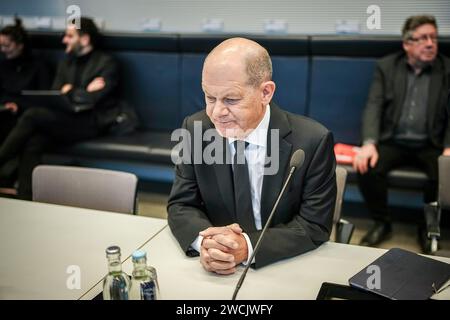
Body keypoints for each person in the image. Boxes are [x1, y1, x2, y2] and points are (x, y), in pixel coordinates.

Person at [167, 38, 336, 273]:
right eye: (209, 97)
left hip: (283, 266)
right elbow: (181, 205)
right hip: (216, 269)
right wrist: (207, 244)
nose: (217, 113)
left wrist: (247, 248)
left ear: (265, 92)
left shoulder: (312, 141)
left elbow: (314, 225)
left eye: (231, 99)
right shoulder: (196, 129)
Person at [354, 15, 450, 250]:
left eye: (434, 38)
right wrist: (369, 143)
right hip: (393, 140)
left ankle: (426, 227)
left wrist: (449, 147)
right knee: (367, 167)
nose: (430, 43)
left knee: (442, 173)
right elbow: (373, 105)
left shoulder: (447, 69)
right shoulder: (387, 67)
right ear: (407, 44)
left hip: (432, 143)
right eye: (423, 38)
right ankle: (382, 223)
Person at [0, 17, 120, 199]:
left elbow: (93, 100)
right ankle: (27, 197)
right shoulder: (66, 63)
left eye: (69, 36)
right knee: (34, 141)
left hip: (92, 121)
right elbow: (55, 94)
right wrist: (82, 91)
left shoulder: (107, 63)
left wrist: (71, 90)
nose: (64, 40)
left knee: (32, 115)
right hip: (66, 118)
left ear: (85, 39)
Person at [0, 17, 51, 188]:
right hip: (5, 114)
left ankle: (24, 191)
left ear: (20, 45)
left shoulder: (38, 65)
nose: (3, 50)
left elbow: (44, 97)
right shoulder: (3, 65)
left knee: (32, 139)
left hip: (28, 116)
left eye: (7, 46)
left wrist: (19, 106)